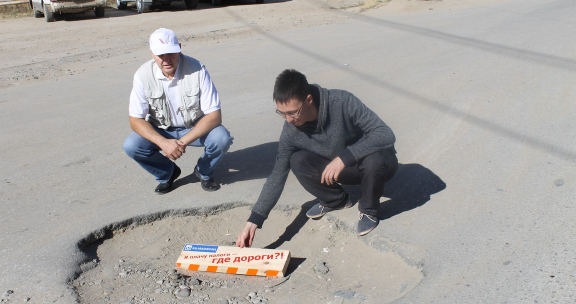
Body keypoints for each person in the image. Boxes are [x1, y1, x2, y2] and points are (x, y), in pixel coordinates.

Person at [236, 69, 397, 247]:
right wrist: (254, 221)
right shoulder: (291, 131)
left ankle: (369, 210)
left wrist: (345, 157)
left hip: (375, 165)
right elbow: (277, 175)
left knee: (375, 160)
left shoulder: (342, 101)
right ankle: (337, 200)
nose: (288, 120)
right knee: (297, 160)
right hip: (338, 171)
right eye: (282, 113)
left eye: (293, 112)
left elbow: (385, 134)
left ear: (309, 100)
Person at [123, 28, 232, 194]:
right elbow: (135, 120)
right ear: (152, 53)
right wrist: (163, 143)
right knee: (131, 145)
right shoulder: (142, 75)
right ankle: (167, 173)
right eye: (161, 55)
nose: (166, 60)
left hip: (194, 128)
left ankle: (203, 171)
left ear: (179, 48)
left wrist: (180, 143)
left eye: (171, 53)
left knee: (221, 138)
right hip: (161, 130)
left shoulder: (197, 70)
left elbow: (214, 116)